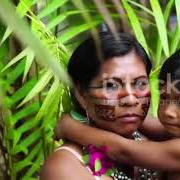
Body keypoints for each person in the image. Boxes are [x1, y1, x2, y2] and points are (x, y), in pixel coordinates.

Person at [54, 42, 180, 180]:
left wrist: (69, 127)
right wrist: (127, 108)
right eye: (164, 98)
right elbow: (148, 123)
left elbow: (123, 151)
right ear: (81, 93)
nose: (169, 111)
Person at [40, 32, 161, 180]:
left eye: (140, 83)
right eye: (111, 85)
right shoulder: (65, 166)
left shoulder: (160, 145)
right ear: (81, 95)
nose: (130, 99)